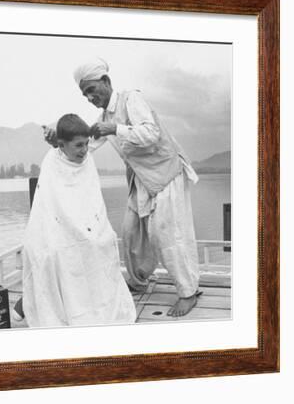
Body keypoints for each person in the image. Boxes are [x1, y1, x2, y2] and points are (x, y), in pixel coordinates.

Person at [45, 58, 200, 317]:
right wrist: (57, 141)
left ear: (106, 82)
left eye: (92, 90)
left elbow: (151, 133)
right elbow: (84, 148)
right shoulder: (103, 118)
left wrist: (116, 128)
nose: (89, 97)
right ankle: (138, 281)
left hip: (166, 174)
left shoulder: (131, 100)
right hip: (141, 180)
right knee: (130, 233)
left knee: (169, 236)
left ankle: (188, 292)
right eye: (85, 94)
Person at [21, 113, 136, 328]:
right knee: (56, 253)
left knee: (104, 242)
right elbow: (51, 207)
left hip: (88, 227)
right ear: (61, 145)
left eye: (86, 144)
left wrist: (90, 231)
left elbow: (92, 202)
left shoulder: (87, 160)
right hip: (57, 231)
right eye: (78, 146)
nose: (84, 150)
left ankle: (97, 305)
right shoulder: (52, 162)